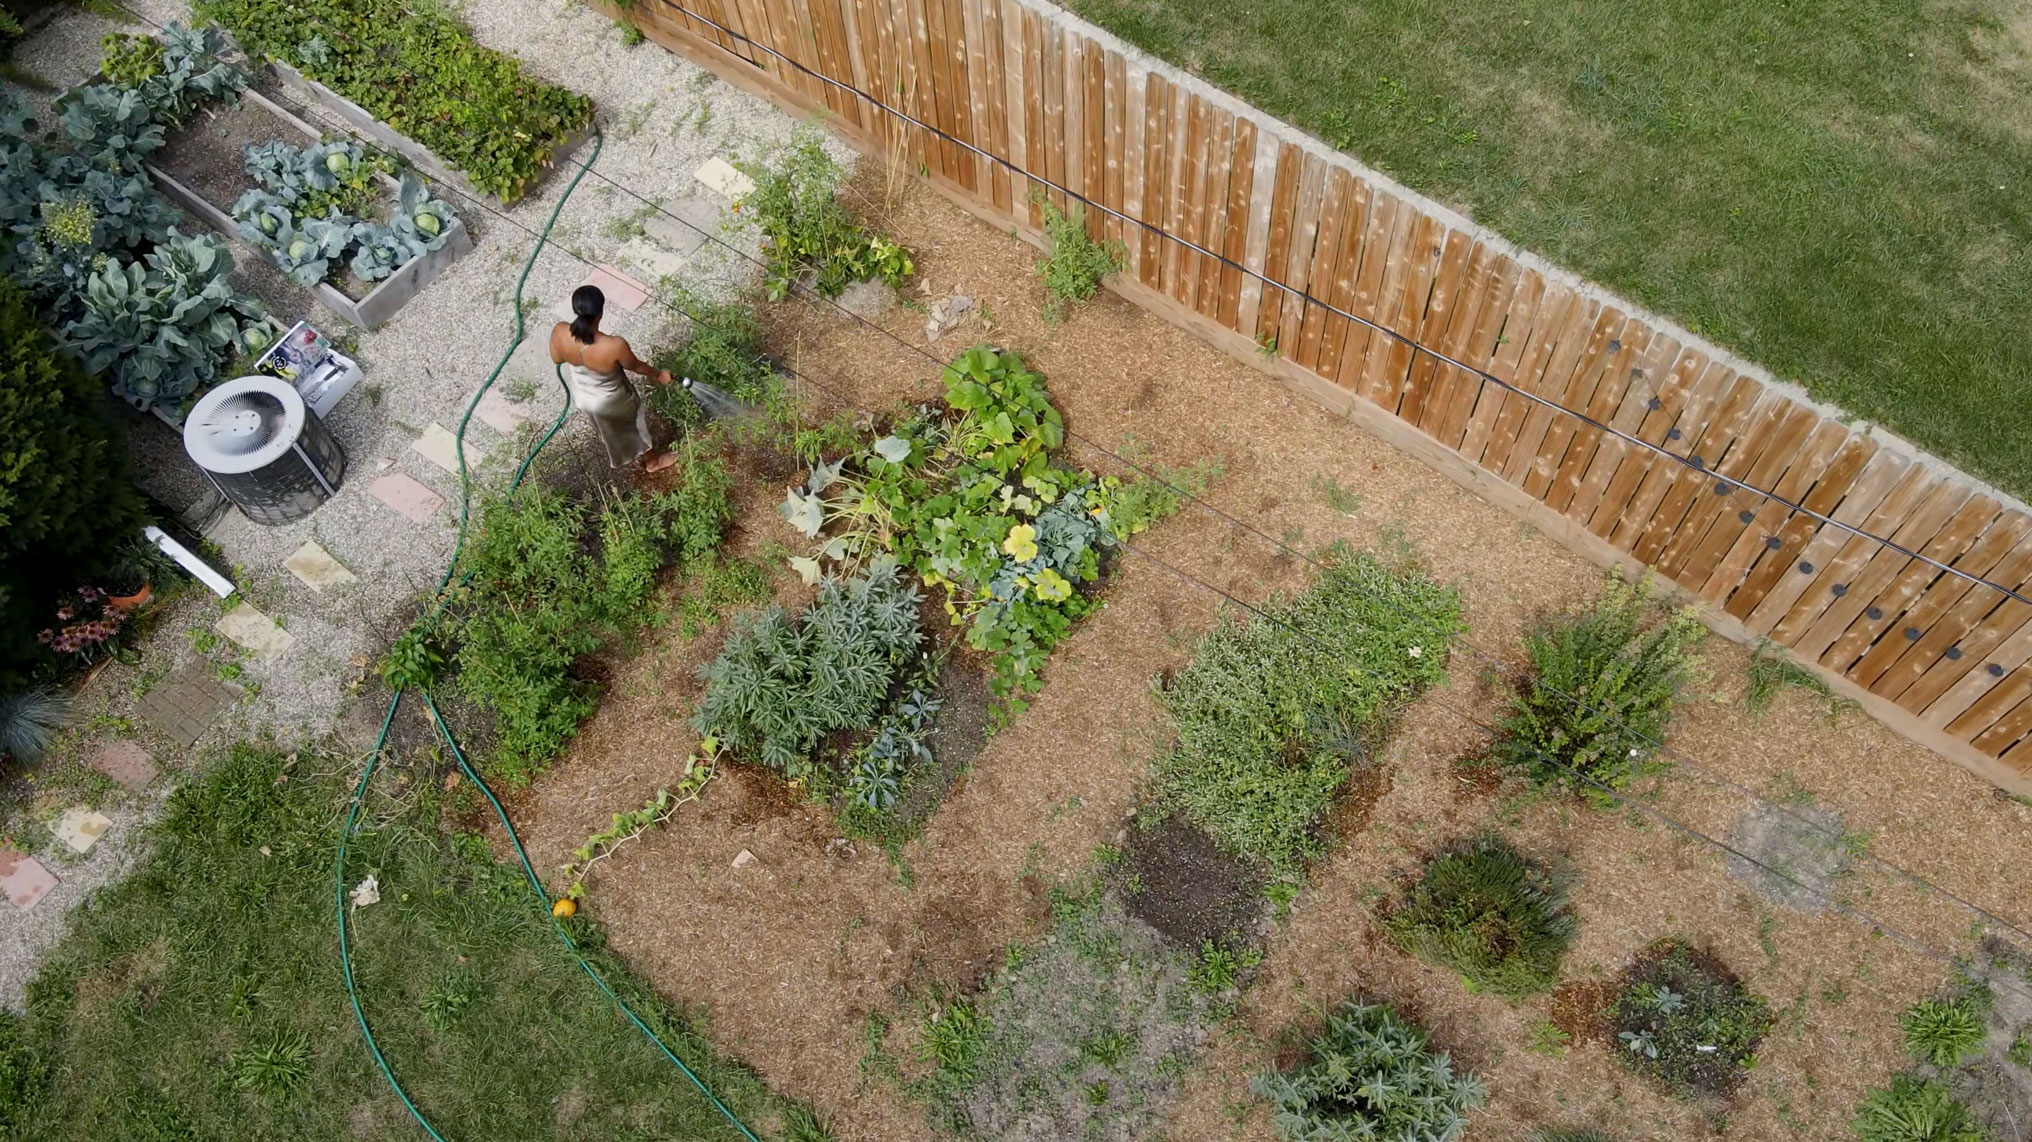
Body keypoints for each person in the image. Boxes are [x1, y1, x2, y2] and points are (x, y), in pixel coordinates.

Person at [549, 285, 678, 472]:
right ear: (600, 312)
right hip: (611, 400)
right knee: (634, 427)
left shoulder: (560, 331)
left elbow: (556, 358)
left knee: (608, 427)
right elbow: (636, 366)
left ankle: (622, 447)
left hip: (584, 398)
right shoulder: (613, 345)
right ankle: (652, 462)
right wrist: (659, 374)